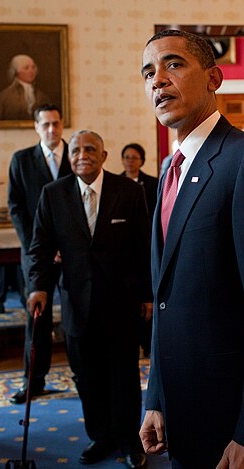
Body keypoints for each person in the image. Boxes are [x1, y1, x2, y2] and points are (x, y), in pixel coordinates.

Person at [138, 29, 244, 468]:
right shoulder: (170, 172)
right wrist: (156, 396)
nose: (157, 80)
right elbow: (166, 299)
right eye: (148, 72)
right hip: (183, 407)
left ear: (214, 78)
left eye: (173, 64)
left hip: (238, 420)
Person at [27, 130, 151, 468]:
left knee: (123, 375)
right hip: (76, 303)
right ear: (70, 157)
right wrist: (37, 287)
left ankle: (129, 440)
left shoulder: (128, 191)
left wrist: (147, 294)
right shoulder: (53, 194)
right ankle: (100, 437)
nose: (83, 155)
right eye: (77, 150)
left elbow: (144, 246)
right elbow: (40, 248)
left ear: (104, 155)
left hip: (122, 303)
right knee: (87, 375)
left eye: (91, 149)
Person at [7, 104, 71, 404]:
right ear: (36, 127)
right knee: (37, 319)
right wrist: (40, 245)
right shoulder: (21, 160)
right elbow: (16, 208)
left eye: (56, 123)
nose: (51, 130)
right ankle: (33, 381)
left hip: (74, 254)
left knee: (77, 315)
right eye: (45, 124)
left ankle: (83, 376)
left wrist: (66, 245)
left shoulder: (77, 155)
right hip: (37, 254)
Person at [120, 143, 158, 359]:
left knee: (147, 298)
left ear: (141, 160)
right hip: (124, 249)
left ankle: (148, 344)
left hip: (146, 244)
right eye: (126, 157)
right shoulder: (115, 183)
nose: (130, 161)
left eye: (134, 157)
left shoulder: (151, 183)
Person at [0, 54, 52, 121]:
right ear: (17, 72)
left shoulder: (42, 96)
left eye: (33, 67)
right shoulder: (4, 97)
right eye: (26, 68)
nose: (31, 71)